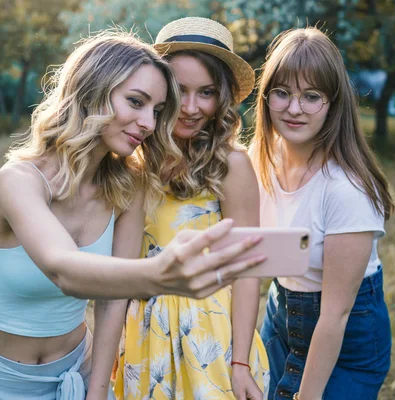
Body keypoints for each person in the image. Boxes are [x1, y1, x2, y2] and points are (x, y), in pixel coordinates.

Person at [0, 30, 266, 400]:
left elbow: (112, 299)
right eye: (136, 101)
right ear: (92, 92)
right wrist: (160, 275)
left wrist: (97, 390)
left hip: (78, 370)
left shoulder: (127, 185)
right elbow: (62, 268)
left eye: (158, 110)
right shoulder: (18, 181)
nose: (149, 122)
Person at [112, 17, 269, 400]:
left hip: (208, 332)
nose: (192, 107)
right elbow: (120, 268)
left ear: (223, 97)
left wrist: (240, 363)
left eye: (207, 93)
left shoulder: (231, 164)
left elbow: (246, 272)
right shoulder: (134, 158)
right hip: (143, 330)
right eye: (180, 91)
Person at [250, 27, 395, 400]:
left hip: (347, 336)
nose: (293, 108)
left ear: (333, 103)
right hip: (281, 313)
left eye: (310, 96)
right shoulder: (258, 161)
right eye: (281, 93)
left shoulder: (346, 190)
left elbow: (336, 314)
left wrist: (307, 395)